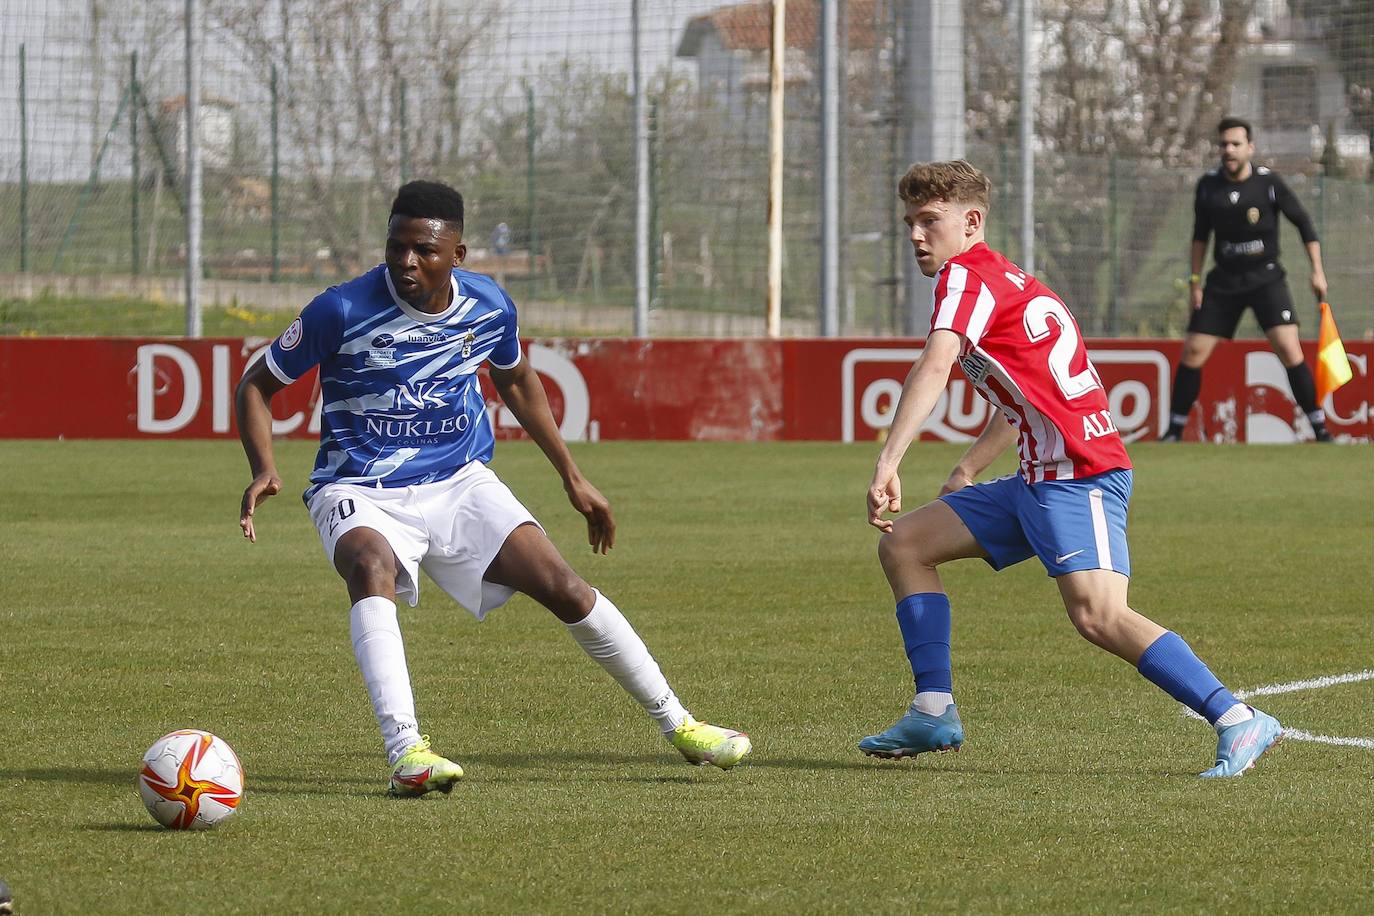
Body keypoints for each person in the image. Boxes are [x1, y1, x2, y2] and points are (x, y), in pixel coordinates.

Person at [236, 180, 750, 796]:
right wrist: (263, 466)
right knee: (370, 565)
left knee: (564, 587)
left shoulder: (487, 305)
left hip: (457, 481)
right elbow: (256, 385)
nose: (405, 261)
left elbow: (517, 381)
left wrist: (572, 476)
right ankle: (408, 752)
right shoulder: (340, 310)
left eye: (424, 250)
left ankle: (682, 726)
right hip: (358, 485)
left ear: (459, 254)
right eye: (396, 246)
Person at [860, 159, 1280, 777]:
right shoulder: (1009, 282)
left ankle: (1237, 718)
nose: (917, 236)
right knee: (905, 546)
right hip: (1039, 477)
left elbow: (935, 364)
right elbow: (1027, 400)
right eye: (910, 223)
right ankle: (933, 709)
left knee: (1099, 615)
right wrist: (968, 468)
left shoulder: (963, 278)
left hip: (1079, 474)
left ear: (972, 222)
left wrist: (889, 460)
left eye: (930, 221)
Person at [1162, 116, 1332, 442]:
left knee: (1288, 347)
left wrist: (1317, 270)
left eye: (1236, 144)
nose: (1229, 150)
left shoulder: (1269, 183)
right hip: (1224, 281)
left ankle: (1320, 428)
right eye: (1224, 144)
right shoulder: (1208, 186)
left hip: (1265, 277)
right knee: (1193, 351)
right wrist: (1195, 282)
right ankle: (1173, 431)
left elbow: (1305, 225)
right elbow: (1200, 237)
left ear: (1250, 148)